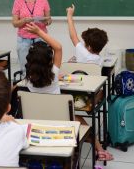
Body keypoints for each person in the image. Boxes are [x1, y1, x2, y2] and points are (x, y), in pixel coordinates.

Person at [24, 22, 114, 162]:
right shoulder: (53, 74)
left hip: (37, 122)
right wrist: (39, 32)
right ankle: (100, 150)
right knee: (83, 123)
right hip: (60, 120)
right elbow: (58, 47)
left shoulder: (27, 81)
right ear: (50, 62)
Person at [11, 0, 52, 74]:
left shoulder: (43, 0)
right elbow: (15, 23)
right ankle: (26, 88)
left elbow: (49, 20)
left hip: (41, 38)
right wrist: (24, 20)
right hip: (23, 40)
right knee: (25, 70)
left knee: (43, 68)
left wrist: (45, 21)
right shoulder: (18, 1)